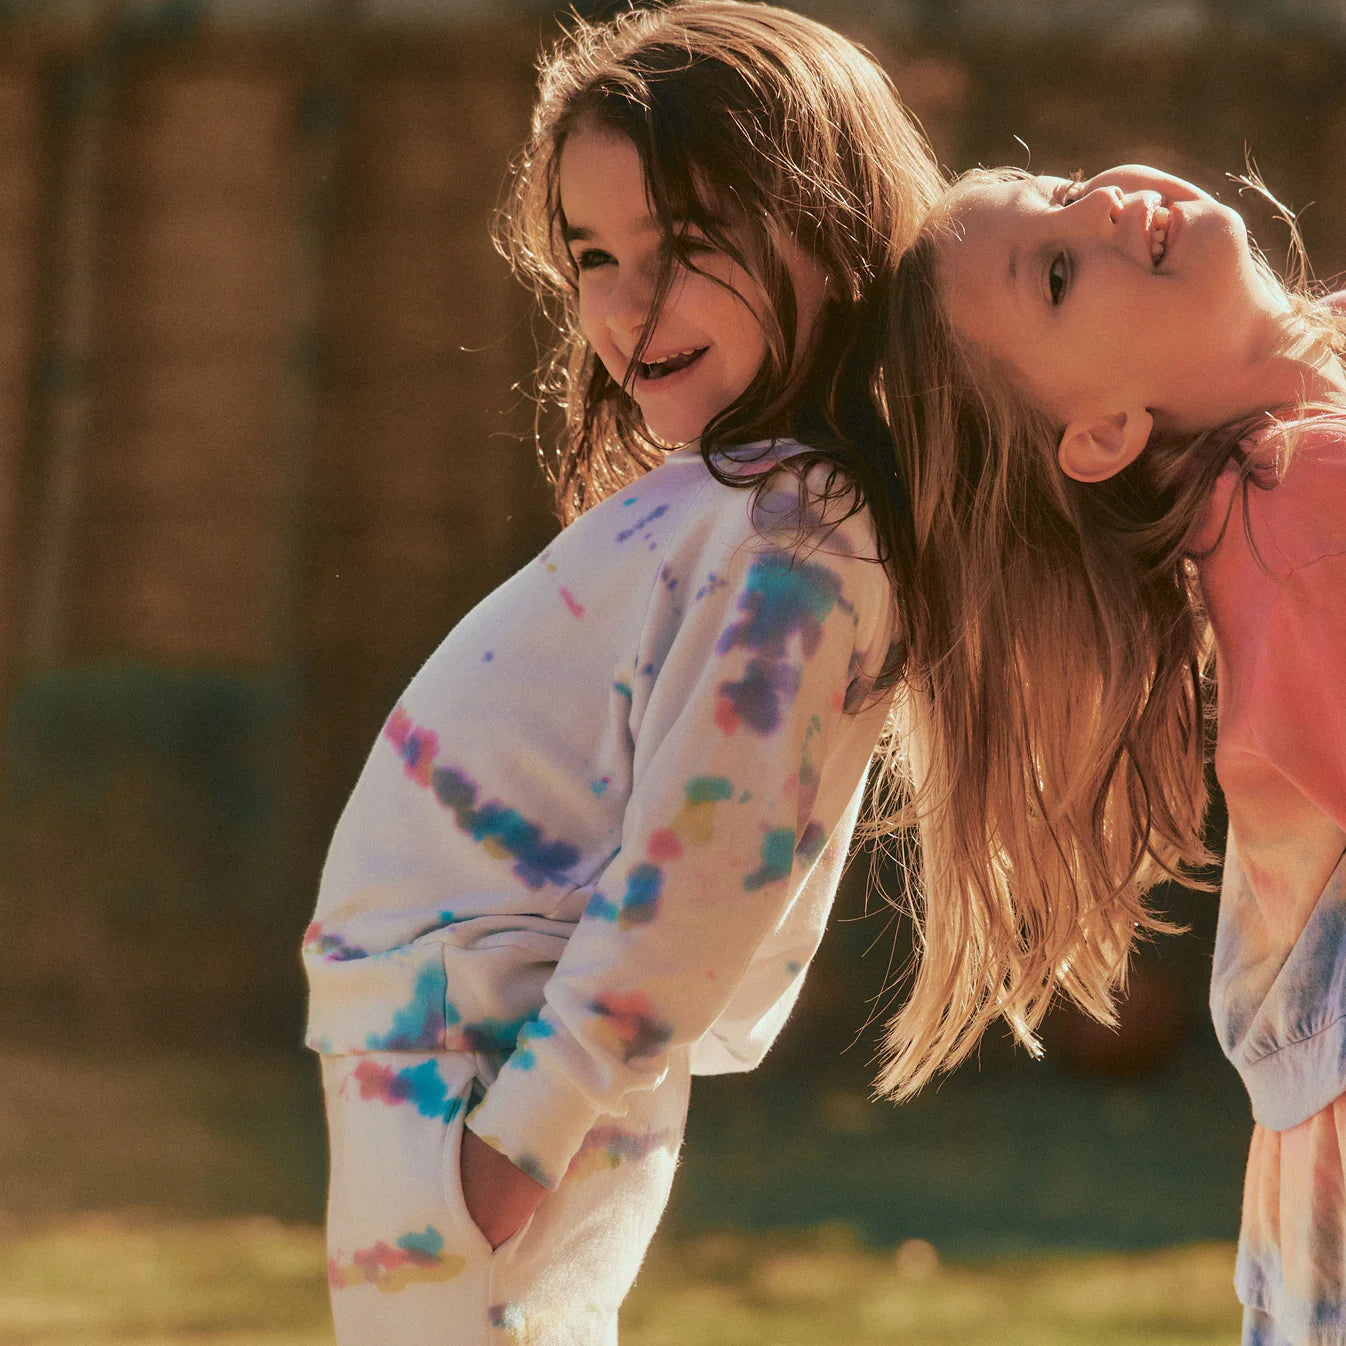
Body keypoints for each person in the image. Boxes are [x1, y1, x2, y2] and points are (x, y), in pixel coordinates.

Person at [302, 3, 943, 1341]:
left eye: (686, 246)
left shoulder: (800, 535)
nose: (623, 305)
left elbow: (703, 859)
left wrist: (513, 1144)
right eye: (593, 254)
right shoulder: (741, 501)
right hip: (451, 1049)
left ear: (830, 227)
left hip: (491, 1074)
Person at [880, 161, 1346, 1345]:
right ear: (1100, 433)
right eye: (1053, 272)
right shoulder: (1300, 517)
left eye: (1059, 186)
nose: (1101, 207)